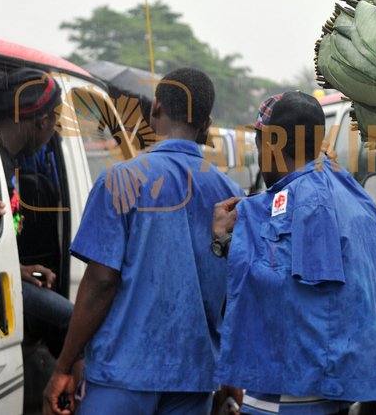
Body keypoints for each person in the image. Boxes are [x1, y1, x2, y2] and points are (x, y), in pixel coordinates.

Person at [43, 67, 245, 415]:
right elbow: (237, 293)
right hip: (192, 379)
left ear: (156, 109)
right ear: (206, 123)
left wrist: (64, 364)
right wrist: (229, 372)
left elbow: (101, 282)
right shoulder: (232, 195)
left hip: (122, 375)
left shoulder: (118, 180)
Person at [211, 91, 376, 415]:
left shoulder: (275, 208)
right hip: (349, 390)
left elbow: (267, 289)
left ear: (273, 144)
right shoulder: (358, 198)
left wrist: (223, 240)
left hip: (288, 393)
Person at [0, 68, 74, 358]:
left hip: (1, 271)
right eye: (55, 123)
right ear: (42, 121)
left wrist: (19, 269)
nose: (53, 132)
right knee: (72, 321)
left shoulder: (4, 154)